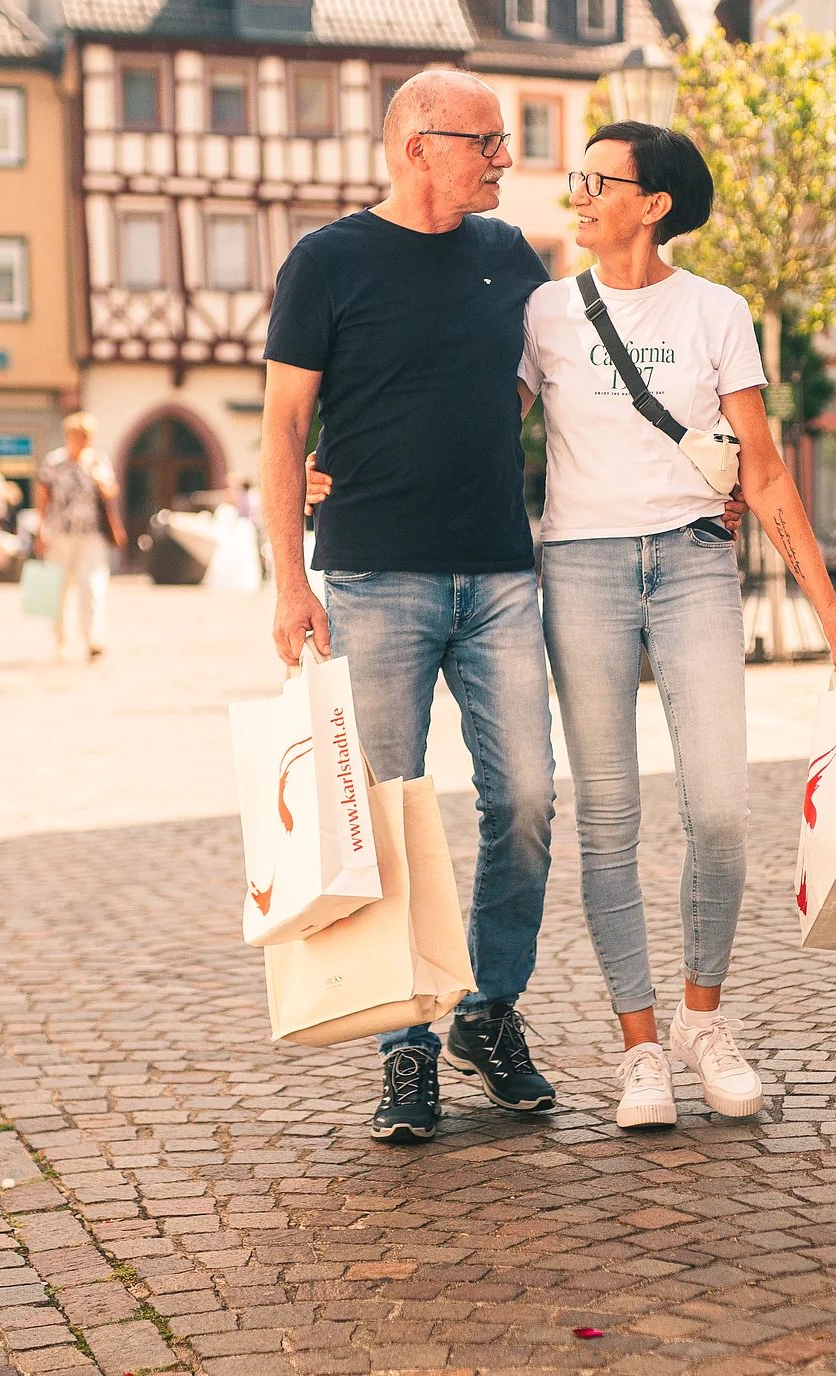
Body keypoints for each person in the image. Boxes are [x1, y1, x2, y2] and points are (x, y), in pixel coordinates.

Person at [308, 124, 836, 1132]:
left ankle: (704, 1019)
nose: (574, 192)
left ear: (652, 202)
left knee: (718, 811)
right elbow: (474, 413)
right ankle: (641, 1048)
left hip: (697, 564)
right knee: (606, 817)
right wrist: (335, 457)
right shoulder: (545, 309)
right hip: (582, 568)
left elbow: (762, 460)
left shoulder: (717, 310)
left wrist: (827, 604)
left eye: (594, 179)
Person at [261, 68, 561, 1145]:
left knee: (525, 798)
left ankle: (488, 1009)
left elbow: (530, 380)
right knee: (387, 819)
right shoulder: (328, 261)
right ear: (417, 144)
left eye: (504, 141)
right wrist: (290, 579)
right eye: (486, 141)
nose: (503, 160)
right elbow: (284, 428)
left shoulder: (512, 258)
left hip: (498, 575)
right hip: (373, 580)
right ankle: (406, 1052)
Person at [38, 413, 119, 661]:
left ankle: (92, 638)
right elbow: (43, 495)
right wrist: (41, 527)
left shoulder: (98, 461)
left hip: (91, 534)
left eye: (85, 437)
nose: (80, 441)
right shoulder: (55, 462)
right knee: (58, 589)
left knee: (91, 585)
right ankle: (60, 640)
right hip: (61, 533)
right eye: (76, 436)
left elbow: (110, 492)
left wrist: (97, 477)